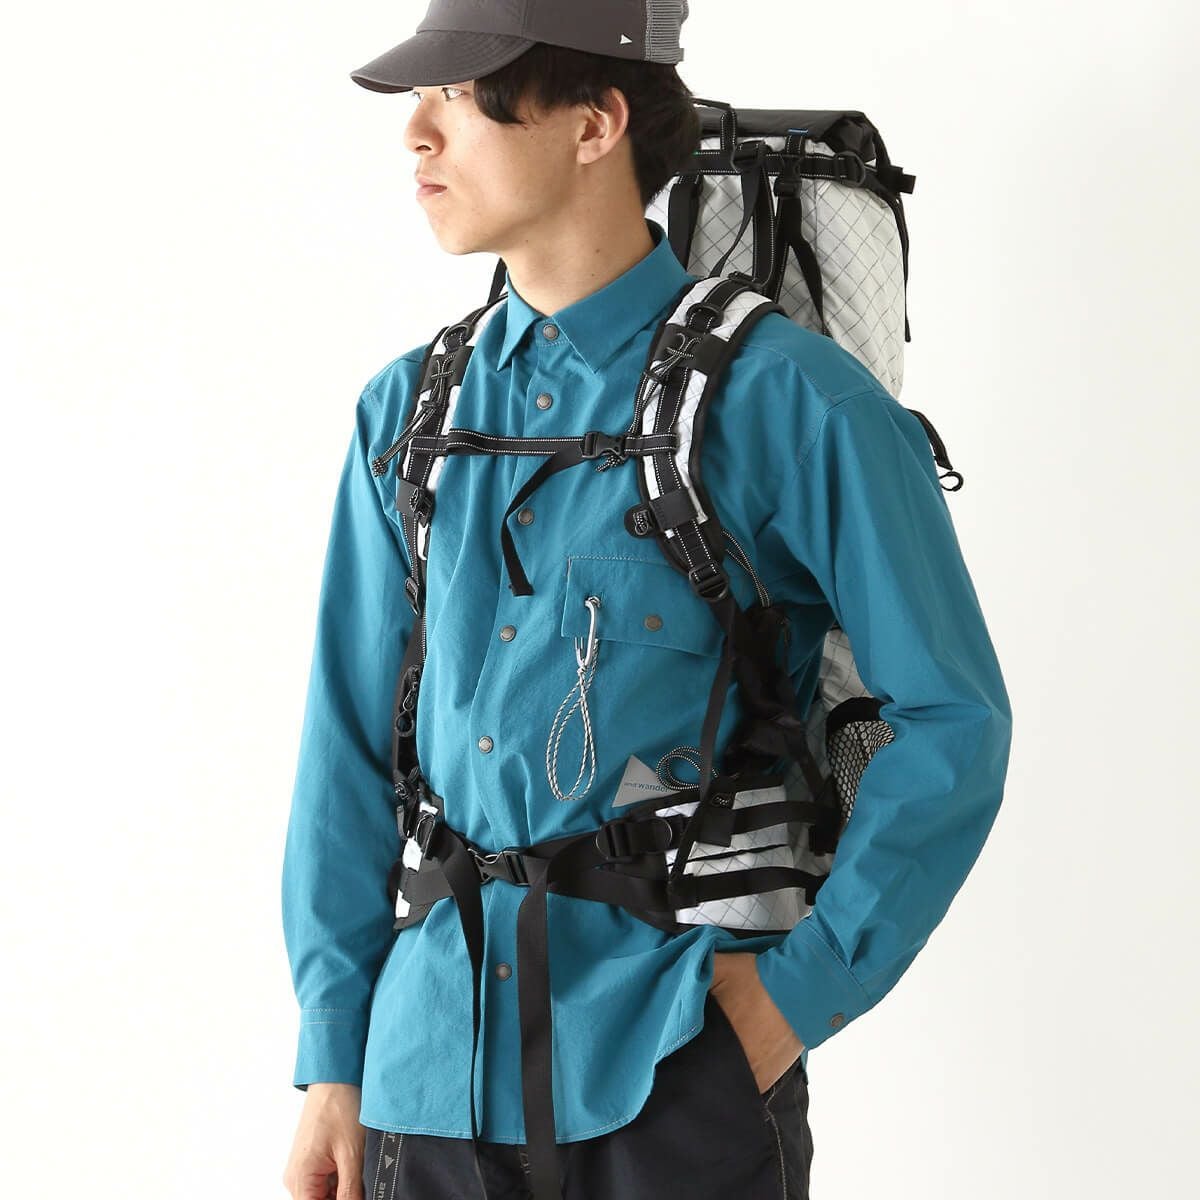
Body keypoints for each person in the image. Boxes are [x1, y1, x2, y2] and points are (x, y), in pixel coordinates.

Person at [280, 3, 1013, 1198]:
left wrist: (794, 999)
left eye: (457, 96)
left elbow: (952, 719)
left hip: (674, 1071)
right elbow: (347, 751)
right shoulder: (406, 415)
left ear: (594, 123)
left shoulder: (792, 402)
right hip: (425, 1075)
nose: (416, 133)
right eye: (420, 101)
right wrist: (333, 1059)